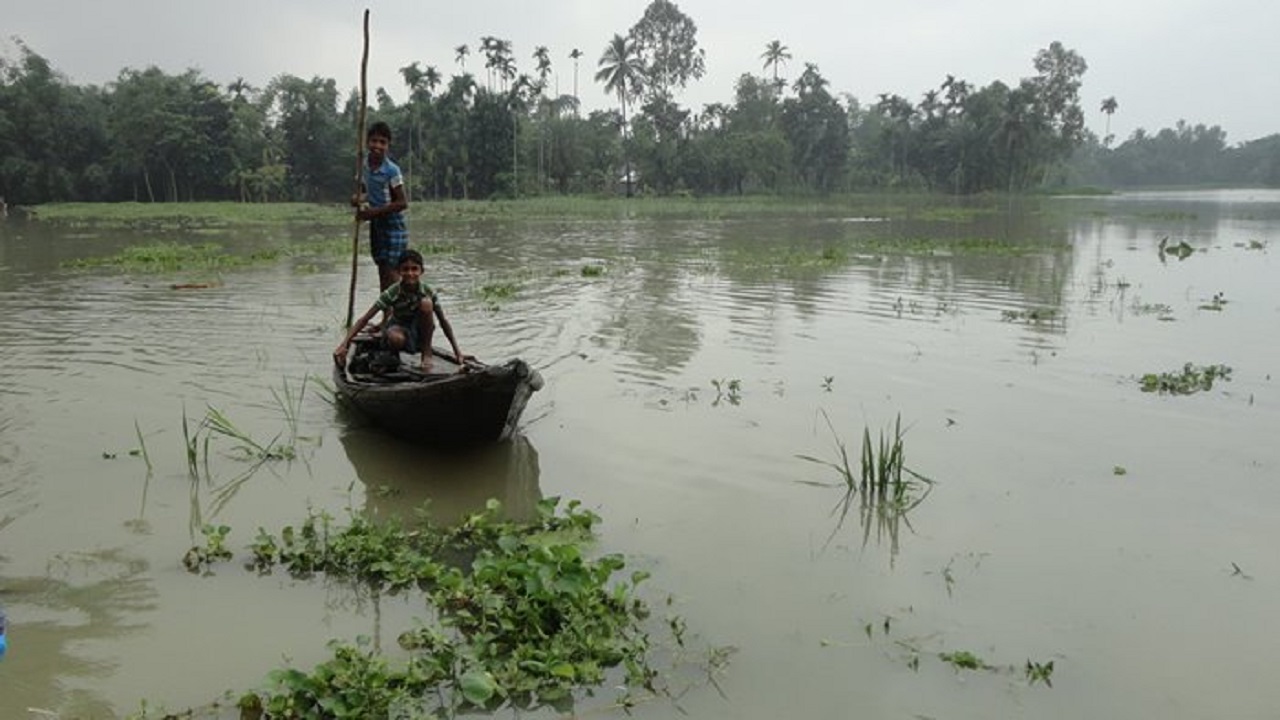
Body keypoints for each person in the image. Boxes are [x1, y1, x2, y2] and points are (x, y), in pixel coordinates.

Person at [334, 249, 465, 373]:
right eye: (405, 269)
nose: (410, 273)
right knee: (395, 338)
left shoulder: (427, 291)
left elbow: (443, 321)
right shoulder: (392, 292)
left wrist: (457, 352)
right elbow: (365, 319)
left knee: (426, 303)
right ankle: (393, 356)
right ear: (399, 271)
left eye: (414, 269)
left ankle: (426, 353)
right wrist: (344, 344)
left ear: (421, 271)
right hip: (399, 329)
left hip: (420, 333)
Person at [354, 121, 408, 291]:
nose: (377, 146)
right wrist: (357, 199)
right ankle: (387, 315)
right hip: (377, 225)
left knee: (392, 271)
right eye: (374, 141)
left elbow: (402, 202)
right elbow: (364, 192)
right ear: (367, 142)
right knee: (382, 268)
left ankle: (397, 313)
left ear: (388, 146)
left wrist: (373, 212)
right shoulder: (364, 167)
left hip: (393, 225)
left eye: (382, 142)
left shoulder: (392, 170)